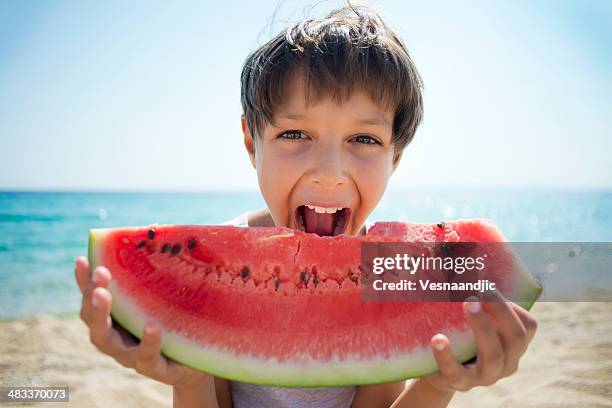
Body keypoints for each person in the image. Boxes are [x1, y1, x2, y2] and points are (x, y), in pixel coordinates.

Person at [74, 4, 538, 407]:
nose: (330, 172)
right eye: (294, 134)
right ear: (251, 142)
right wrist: (188, 377)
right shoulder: (210, 266)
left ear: (395, 156)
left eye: (364, 138)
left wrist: (437, 385)